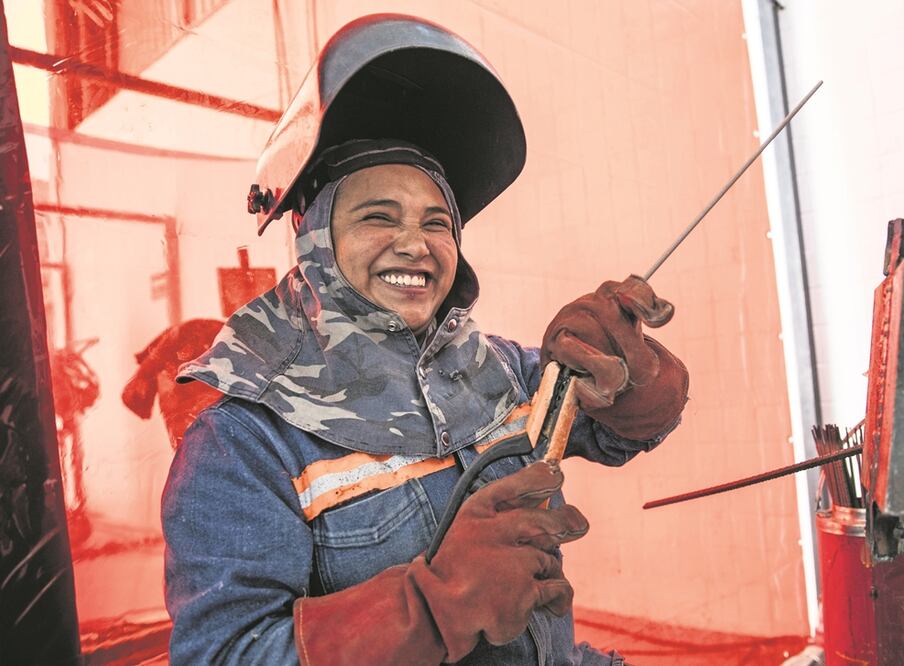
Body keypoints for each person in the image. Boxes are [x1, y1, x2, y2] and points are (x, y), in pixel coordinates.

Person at [161, 15, 689, 665]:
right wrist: (431, 604)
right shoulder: (246, 442)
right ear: (316, 237)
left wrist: (633, 375)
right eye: (377, 215)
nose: (415, 243)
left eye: (436, 221)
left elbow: (616, 434)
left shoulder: (497, 370)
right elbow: (225, 654)